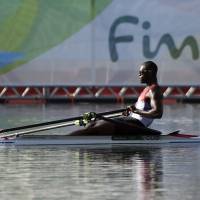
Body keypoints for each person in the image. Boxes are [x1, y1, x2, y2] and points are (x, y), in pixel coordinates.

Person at [69, 61, 163, 136]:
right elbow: (142, 107)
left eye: (141, 73)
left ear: (150, 72)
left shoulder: (154, 90)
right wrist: (132, 108)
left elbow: (157, 113)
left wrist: (136, 111)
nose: (139, 76)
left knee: (98, 127)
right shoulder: (147, 89)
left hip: (138, 125)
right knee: (93, 123)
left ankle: (65, 141)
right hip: (130, 121)